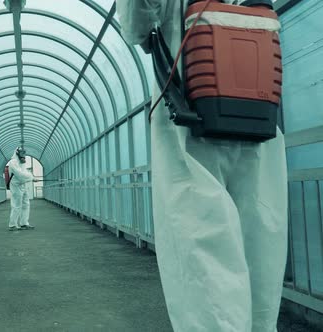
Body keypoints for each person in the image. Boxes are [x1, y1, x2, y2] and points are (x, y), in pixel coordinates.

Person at [116, 1, 288, 331]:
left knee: (203, 258)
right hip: (258, 118)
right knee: (261, 248)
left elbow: (136, 25)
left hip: (191, 125)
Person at [8, 147, 35, 231]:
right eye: (21, 153)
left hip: (22, 185)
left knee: (26, 204)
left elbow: (24, 173)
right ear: (17, 153)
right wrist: (31, 178)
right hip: (16, 186)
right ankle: (12, 225)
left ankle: (24, 223)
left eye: (24, 153)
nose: (23, 155)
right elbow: (20, 174)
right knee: (16, 205)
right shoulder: (13, 163)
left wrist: (31, 178)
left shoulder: (21, 163)